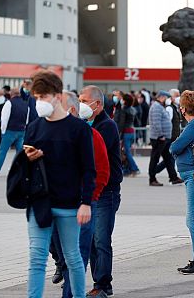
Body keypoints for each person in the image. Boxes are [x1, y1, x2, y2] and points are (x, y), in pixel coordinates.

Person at [22, 71, 95, 298]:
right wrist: (29, 159)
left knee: (72, 256)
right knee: (36, 257)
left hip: (69, 204)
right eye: (36, 97)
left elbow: (88, 169)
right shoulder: (33, 127)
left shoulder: (79, 129)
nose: (39, 102)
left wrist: (86, 203)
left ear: (56, 95)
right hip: (40, 203)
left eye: (43, 96)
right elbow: (24, 168)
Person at [56, 91, 110, 298]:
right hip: (57, 204)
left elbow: (103, 171)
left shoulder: (91, 135)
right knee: (62, 252)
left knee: (77, 254)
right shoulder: (52, 132)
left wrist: (90, 199)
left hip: (82, 204)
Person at [79, 85, 123, 297]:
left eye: (84, 100)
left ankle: (103, 284)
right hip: (92, 191)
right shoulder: (88, 123)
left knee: (101, 240)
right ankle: (98, 282)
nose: (81, 104)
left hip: (107, 191)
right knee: (93, 241)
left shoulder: (107, 126)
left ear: (96, 104)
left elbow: (92, 152)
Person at [169, 90, 194, 274]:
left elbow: (175, 146)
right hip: (192, 175)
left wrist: (176, 147)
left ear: (183, 108)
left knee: (193, 217)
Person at [0, 88, 29, 176]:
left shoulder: (9, 103)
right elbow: (27, 119)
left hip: (10, 131)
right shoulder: (26, 104)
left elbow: (4, 118)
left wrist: (3, 130)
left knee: (3, 150)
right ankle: (18, 169)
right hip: (21, 131)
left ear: (11, 94)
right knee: (19, 152)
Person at [147, 91, 182, 187]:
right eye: (168, 98)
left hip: (164, 138)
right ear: (162, 97)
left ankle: (173, 177)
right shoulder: (156, 107)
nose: (168, 100)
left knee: (168, 158)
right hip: (159, 138)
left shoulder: (159, 107)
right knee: (155, 158)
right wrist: (160, 135)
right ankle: (152, 178)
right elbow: (156, 122)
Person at [117, 93, 140, 177]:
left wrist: (118, 133)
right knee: (127, 151)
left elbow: (122, 123)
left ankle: (135, 168)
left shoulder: (124, 110)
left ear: (125, 101)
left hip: (126, 132)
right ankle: (128, 170)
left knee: (126, 151)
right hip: (132, 131)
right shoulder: (133, 109)